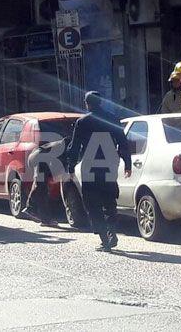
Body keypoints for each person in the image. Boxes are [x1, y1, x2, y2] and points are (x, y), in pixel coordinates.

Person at [67, 91, 131, 252]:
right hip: (109, 163)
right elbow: (123, 142)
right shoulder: (112, 119)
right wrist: (128, 163)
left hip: (90, 166)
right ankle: (112, 232)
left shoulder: (82, 122)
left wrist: (70, 166)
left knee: (92, 202)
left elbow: (74, 146)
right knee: (109, 199)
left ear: (87, 104)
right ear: (101, 102)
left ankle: (104, 238)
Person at [22, 135, 71, 226]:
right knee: (41, 189)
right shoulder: (69, 145)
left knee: (40, 186)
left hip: (36, 156)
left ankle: (32, 209)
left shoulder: (65, 143)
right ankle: (39, 215)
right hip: (40, 158)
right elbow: (65, 164)